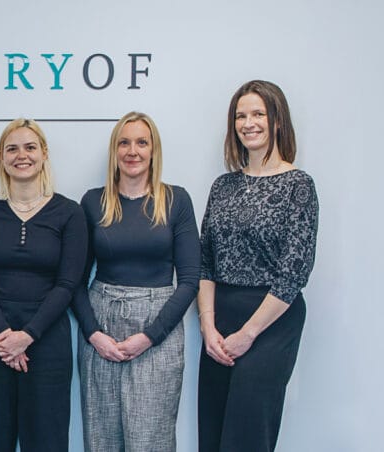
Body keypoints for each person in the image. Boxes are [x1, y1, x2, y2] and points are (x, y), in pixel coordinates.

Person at [197, 80, 318, 452]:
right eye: (240, 116)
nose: (248, 123)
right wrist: (207, 326)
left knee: (247, 436)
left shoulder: (298, 185)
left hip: (271, 321)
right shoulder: (223, 186)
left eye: (258, 114)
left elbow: (294, 272)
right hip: (220, 319)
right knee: (214, 432)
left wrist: (248, 333)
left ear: (277, 120)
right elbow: (205, 261)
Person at [75, 112, 200, 452]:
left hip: (158, 329)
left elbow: (190, 280)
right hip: (101, 329)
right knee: (101, 439)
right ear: (114, 151)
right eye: (124, 143)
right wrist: (94, 334)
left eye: (142, 142)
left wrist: (149, 337)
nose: (133, 151)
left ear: (153, 150)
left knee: (150, 440)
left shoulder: (176, 200)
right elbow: (74, 280)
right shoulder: (93, 202)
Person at [0, 118, 88, 451]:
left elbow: (68, 283)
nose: (22, 155)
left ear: (44, 154)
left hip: (48, 342)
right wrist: (6, 337)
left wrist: (27, 336)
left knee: (47, 442)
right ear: (2, 158)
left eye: (30, 147)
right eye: (12, 149)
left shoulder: (69, 212)